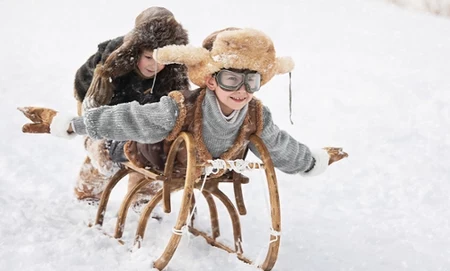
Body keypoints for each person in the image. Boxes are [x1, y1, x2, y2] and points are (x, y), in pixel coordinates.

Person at [20, 27, 348, 185]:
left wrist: (311, 161)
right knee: (112, 151)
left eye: (252, 82)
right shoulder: (180, 107)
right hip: (159, 158)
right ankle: (96, 167)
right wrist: (72, 124)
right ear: (211, 80)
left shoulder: (255, 114)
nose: (242, 91)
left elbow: (278, 145)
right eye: (232, 80)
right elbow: (132, 117)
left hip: (210, 169)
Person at [71, 6, 190, 206]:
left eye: (162, 60)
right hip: (101, 108)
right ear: (137, 50)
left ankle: (143, 199)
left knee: (152, 152)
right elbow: (93, 107)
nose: (154, 65)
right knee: (103, 151)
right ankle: (88, 193)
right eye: (148, 57)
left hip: (143, 119)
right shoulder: (112, 63)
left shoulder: (173, 72)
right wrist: (101, 132)